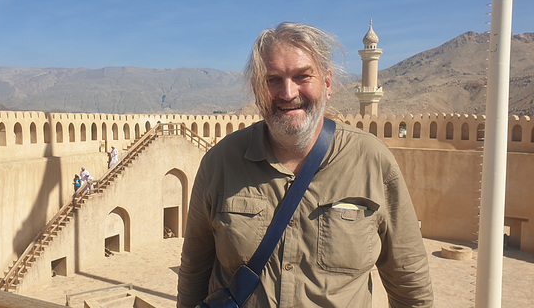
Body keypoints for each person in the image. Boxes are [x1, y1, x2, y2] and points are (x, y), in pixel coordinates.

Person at [177, 22, 433, 307]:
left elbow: (408, 279)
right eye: (272, 79)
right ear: (255, 89)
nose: (288, 93)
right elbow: (194, 271)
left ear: (327, 83)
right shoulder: (221, 162)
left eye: (302, 76)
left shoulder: (371, 160)